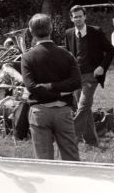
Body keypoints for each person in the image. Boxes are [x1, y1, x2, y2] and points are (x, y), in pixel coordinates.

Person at [21, 14, 81, 161]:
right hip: (63, 110)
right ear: (51, 29)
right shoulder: (66, 54)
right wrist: (59, 93)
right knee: (71, 158)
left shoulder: (28, 57)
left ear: (30, 31)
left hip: (40, 112)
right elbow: (76, 83)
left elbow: (31, 87)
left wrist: (49, 86)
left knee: (44, 161)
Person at [65, 4, 114, 147]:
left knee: (83, 106)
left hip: (91, 76)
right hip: (76, 77)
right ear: (71, 19)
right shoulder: (68, 33)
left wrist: (102, 67)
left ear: (85, 16)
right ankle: (92, 141)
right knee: (85, 110)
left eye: (80, 16)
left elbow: (111, 51)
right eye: (75, 17)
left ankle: (70, 139)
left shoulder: (96, 32)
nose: (78, 19)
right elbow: (69, 56)